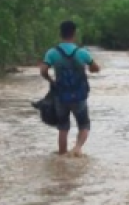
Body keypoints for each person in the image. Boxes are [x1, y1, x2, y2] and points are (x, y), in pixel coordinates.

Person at [40, 20, 101, 156]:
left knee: (63, 127)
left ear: (60, 34)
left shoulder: (52, 53)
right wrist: (91, 68)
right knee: (84, 124)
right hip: (79, 96)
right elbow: (96, 68)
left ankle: (62, 155)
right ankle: (77, 148)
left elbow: (43, 70)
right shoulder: (82, 53)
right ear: (74, 33)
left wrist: (51, 80)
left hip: (61, 95)